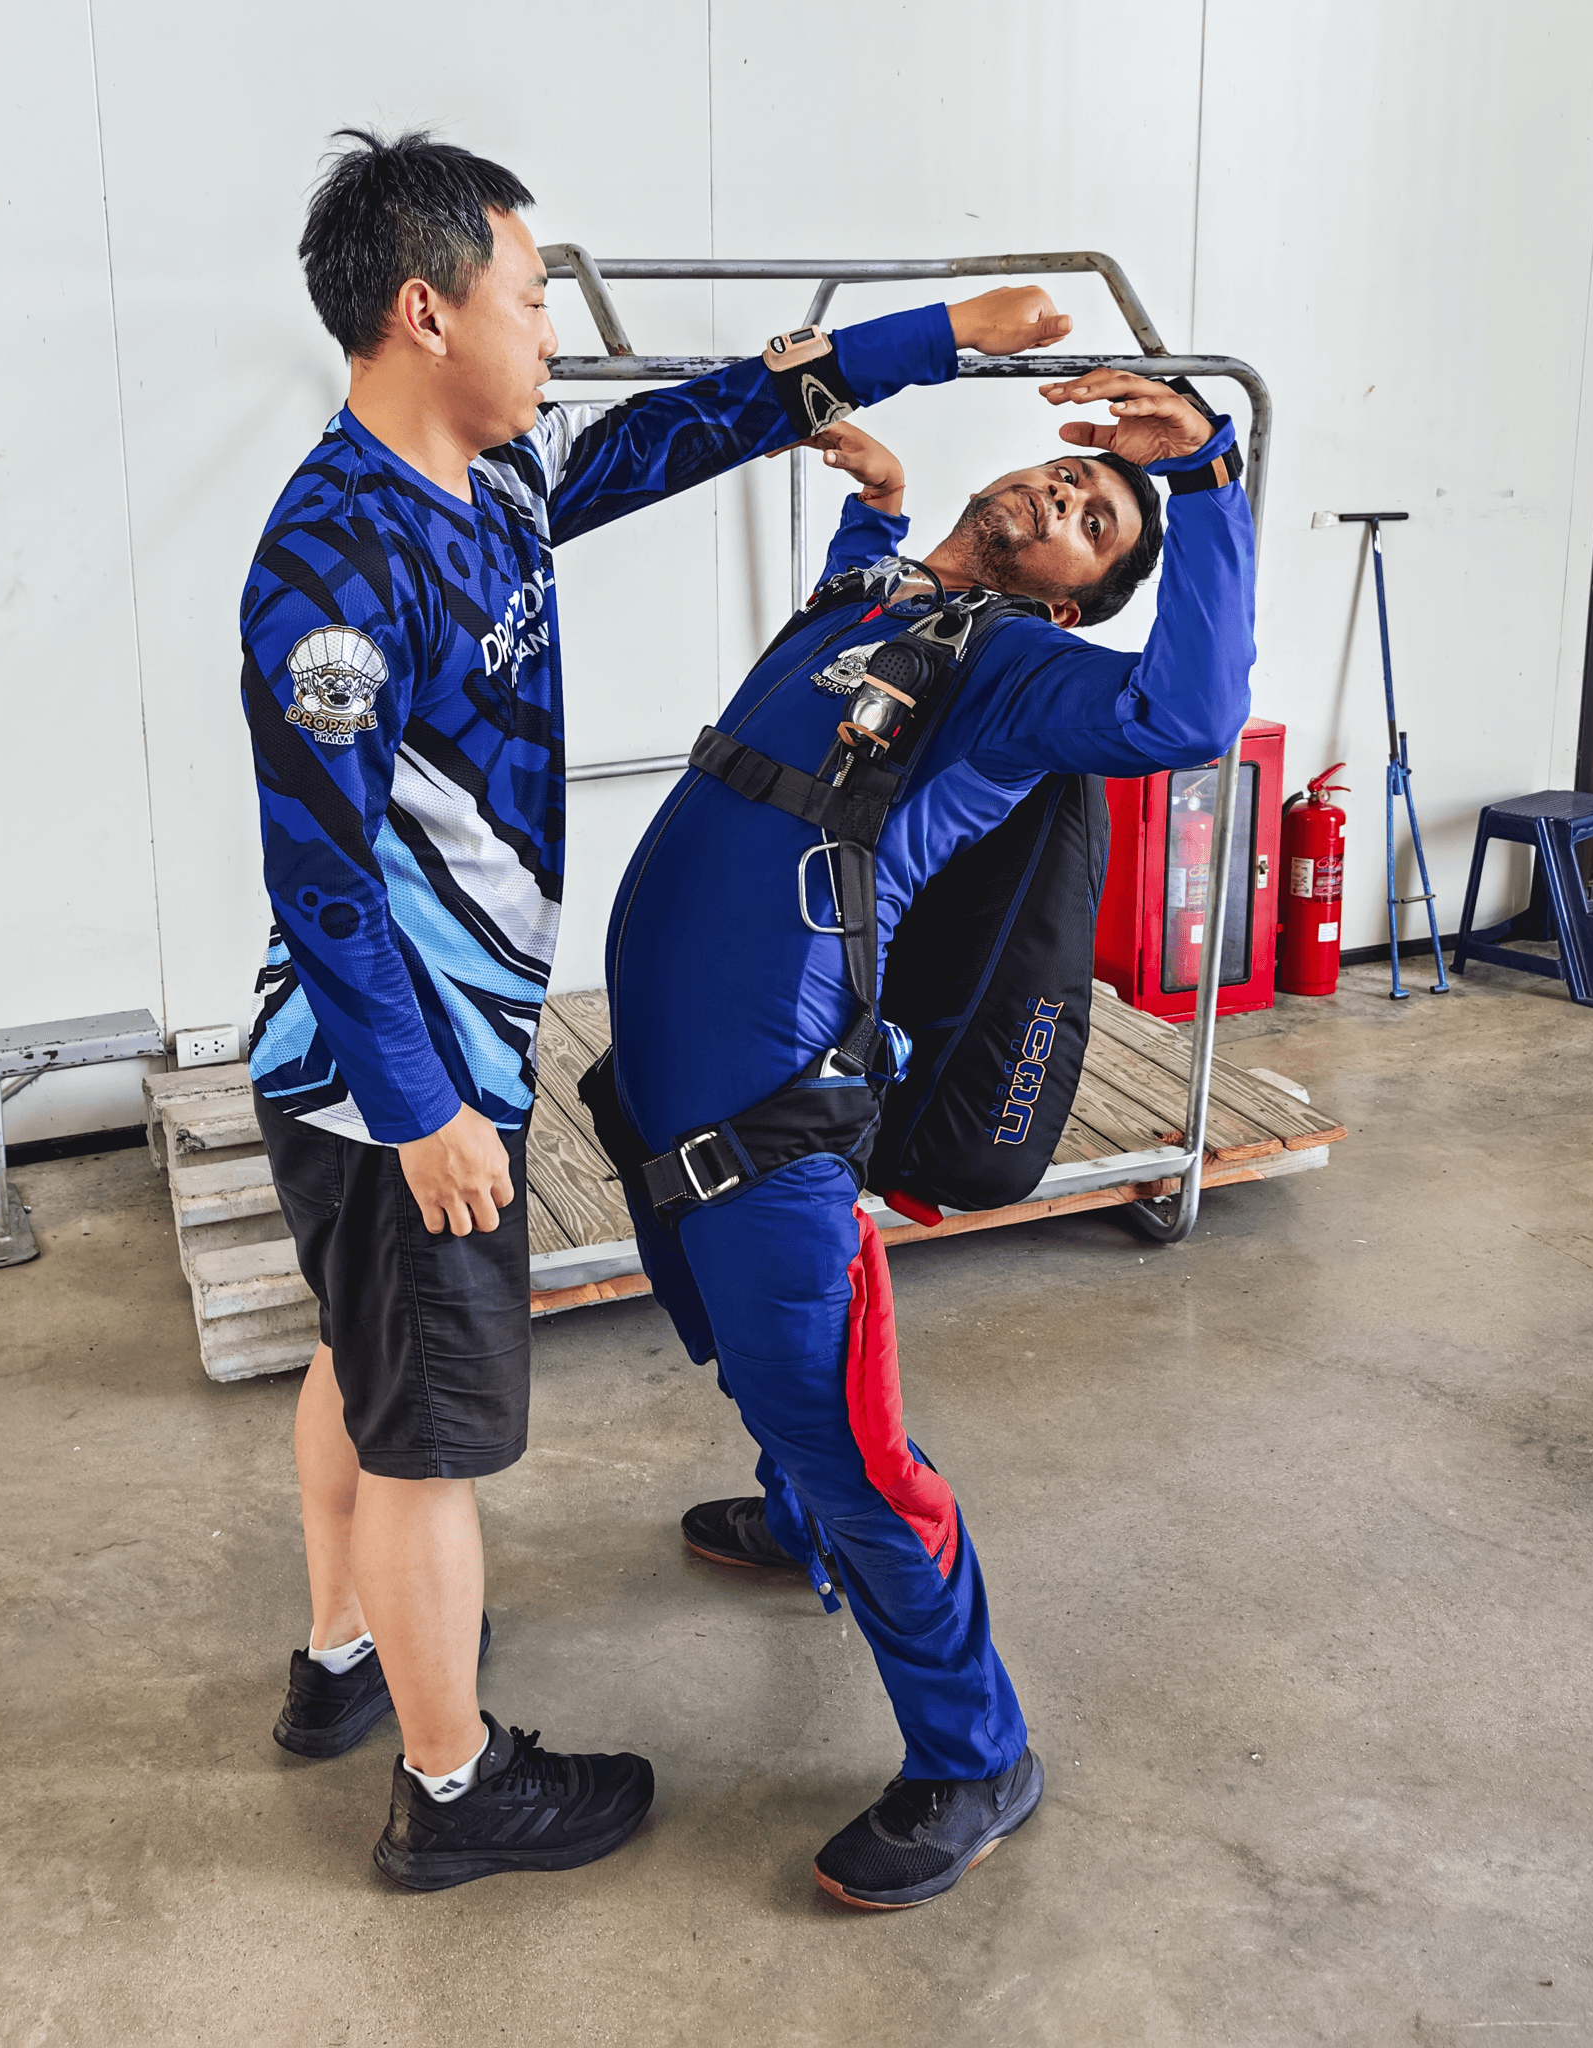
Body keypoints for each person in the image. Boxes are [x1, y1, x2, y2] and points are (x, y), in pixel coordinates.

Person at [238, 126, 1076, 1891]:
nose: (553, 327)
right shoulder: (334, 567)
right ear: (424, 308)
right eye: (532, 296)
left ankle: (341, 1664)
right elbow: (319, 880)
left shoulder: (490, 479)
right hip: (398, 1072)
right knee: (426, 1434)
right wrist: (421, 1108)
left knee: (356, 1356)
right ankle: (454, 1789)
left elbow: (685, 425)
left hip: (408, 1059)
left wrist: (938, 334)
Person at [598, 371, 1257, 1908]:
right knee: (751, 1364)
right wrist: (880, 496)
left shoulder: (1022, 675)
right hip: (666, 1090)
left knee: (862, 1448)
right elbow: (848, 595)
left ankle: (976, 1755)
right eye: (1066, 480)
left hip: (770, 1127)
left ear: (1084, 600)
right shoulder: (884, 604)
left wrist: (1206, 484)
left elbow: (1191, 711)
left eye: (1094, 524)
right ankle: (794, 1520)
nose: (1060, 499)